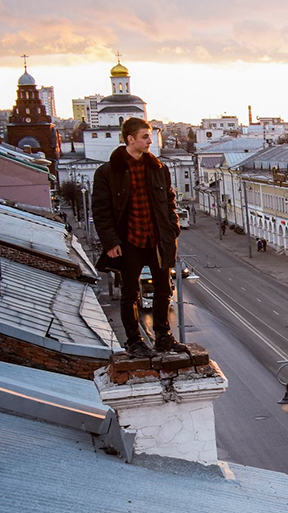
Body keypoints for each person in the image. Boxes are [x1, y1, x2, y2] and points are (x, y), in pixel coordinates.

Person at [90, 117, 187, 358]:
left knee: (164, 290)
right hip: (129, 242)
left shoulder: (158, 168)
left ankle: (163, 337)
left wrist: (172, 229)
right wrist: (111, 242)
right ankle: (134, 342)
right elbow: (101, 210)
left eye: (150, 136)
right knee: (130, 293)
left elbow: (169, 203)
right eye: (145, 136)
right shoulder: (108, 172)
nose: (149, 141)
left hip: (157, 241)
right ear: (130, 139)